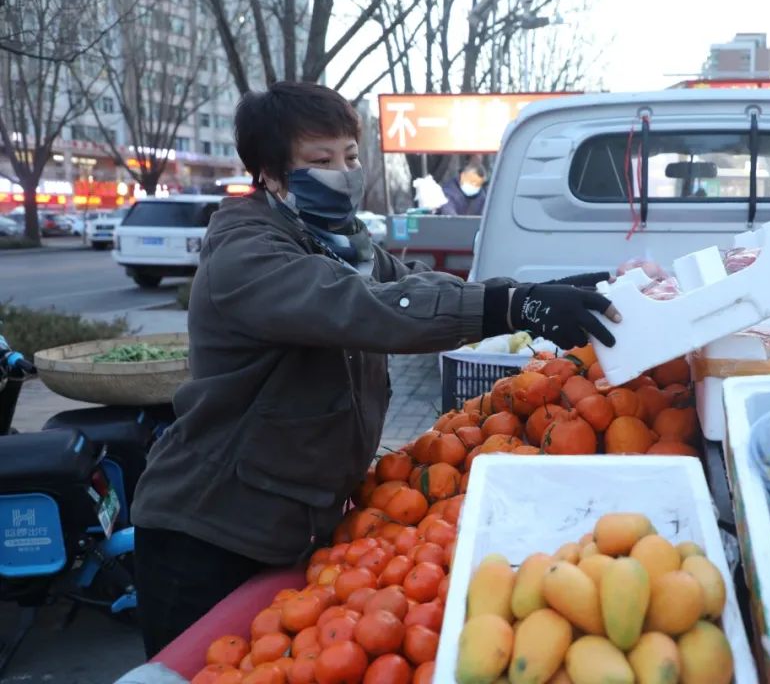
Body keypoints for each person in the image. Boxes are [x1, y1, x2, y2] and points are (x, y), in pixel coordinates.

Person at [129, 81, 619, 659]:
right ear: (271, 174)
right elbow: (362, 308)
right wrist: (513, 309)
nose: (343, 172)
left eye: (351, 156)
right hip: (208, 530)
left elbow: (414, 287)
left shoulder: (339, 242)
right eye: (320, 160)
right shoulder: (247, 255)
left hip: (291, 523)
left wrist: (537, 292)